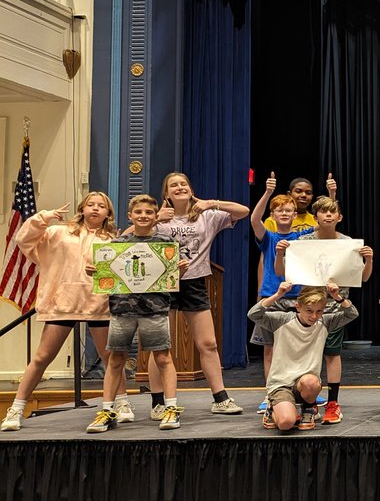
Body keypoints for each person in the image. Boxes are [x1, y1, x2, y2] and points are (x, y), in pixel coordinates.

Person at [1, 193, 118, 433]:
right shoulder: (57, 232)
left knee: (111, 359)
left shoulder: (113, 239)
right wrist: (43, 217)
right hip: (62, 303)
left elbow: (121, 275)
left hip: (98, 304)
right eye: (91, 204)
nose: (95, 209)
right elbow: (23, 240)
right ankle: (16, 408)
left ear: (108, 213)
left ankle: (122, 404)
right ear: (82, 208)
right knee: (43, 357)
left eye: (101, 206)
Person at [83, 194, 189, 433]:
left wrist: (181, 271)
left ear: (155, 217)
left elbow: (171, 280)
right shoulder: (118, 244)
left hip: (155, 310)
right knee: (116, 360)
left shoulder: (166, 242)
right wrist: (95, 273)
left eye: (149, 213)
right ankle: (108, 410)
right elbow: (107, 278)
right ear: (130, 216)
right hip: (122, 310)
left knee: (163, 358)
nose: (143, 216)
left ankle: (171, 408)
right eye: (138, 213)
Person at [148, 172, 250, 415]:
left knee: (208, 343)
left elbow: (243, 211)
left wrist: (211, 203)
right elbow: (126, 236)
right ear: (166, 194)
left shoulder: (206, 216)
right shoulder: (159, 219)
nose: (180, 187)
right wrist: (154, 221)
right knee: (160, 345)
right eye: (174, 185)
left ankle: (220, 398)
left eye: (183, 184)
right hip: (164, 284)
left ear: (190, 189)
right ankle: (157, 403)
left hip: (194, 283)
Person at [285, 196, 373, 424]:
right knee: (305, 357)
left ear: (339, 217)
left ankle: (333, 403)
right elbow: (286, 272)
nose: (328, 216)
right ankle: (307, 402)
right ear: (316, 218)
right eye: (323, 212)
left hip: (333, 309)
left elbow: (363, 278)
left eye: (332, 212)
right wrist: (280, 253)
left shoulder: (348, 243)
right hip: (309, 310)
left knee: (332, 355)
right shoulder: (304, 241)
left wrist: (368, 261)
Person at [248, 281, 358, 431]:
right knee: (286, 423)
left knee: (311, 383)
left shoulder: (325, 322)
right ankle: (272, 409)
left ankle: (308, 408)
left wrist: (337, 297)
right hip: (281, 384)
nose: (314, 316)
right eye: (309, 311)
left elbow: (352, 313)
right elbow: (253, 314)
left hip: (305, 384)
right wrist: (278, 295)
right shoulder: (282, 320)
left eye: (319, 311)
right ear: (298, 307)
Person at [250, 177, 314, 386]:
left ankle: (301, 389)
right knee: (270, 348)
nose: (284, 213)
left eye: (288, 210)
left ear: (295, 215)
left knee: (298, 347)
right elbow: (254, 219)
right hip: (272, 296)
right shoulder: (268, 237)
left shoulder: (304, 237)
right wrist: (268, 193)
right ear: (273, 215)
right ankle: (271, 392)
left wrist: (331, 195)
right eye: (280, 210)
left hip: (298, 297)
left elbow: (325, 222)